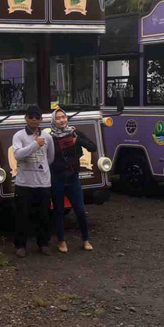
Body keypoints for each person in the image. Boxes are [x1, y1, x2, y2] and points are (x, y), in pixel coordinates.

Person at [49, 108, 98, 253]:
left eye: (63, 117)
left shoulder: (75, 133)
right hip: (57, 178)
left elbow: (93, 147)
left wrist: (78, 141)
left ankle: (85, 240)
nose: (61, 120)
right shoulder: (50, 138)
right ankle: (61, 241)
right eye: (58, 118)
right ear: (53, 121)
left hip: (73, 177)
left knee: (80, 210)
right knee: (58, 211)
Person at [12, 105, 55, 257]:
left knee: (44, 215)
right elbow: (18, 155)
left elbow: (50, 158)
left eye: (37, 117)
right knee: (22, 215)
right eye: (31, 117)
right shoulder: (19, 136)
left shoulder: (48, 137)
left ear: (41, 119)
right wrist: (36, 144)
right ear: (26, 118)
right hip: (24, 183)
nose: (34, 120)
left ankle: (43, 244)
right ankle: (20, 246)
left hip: (43, 183)